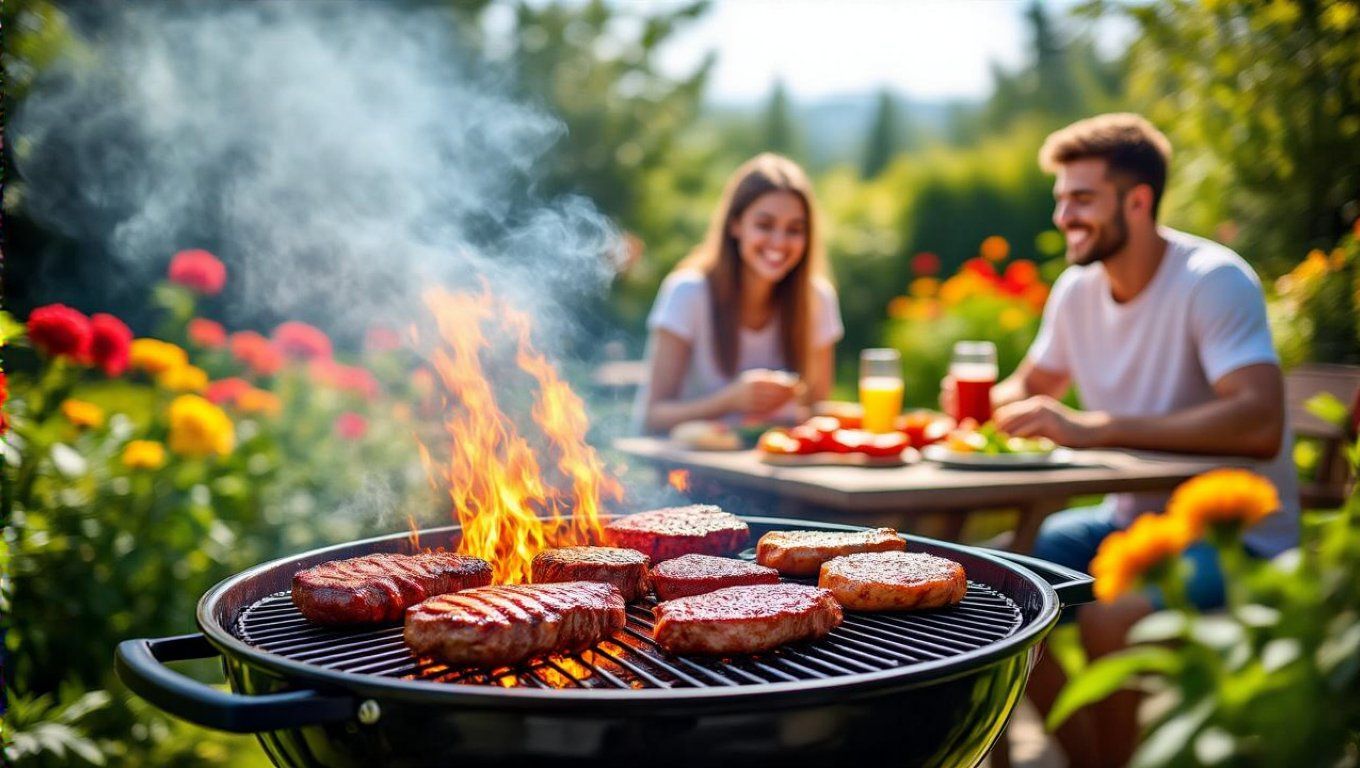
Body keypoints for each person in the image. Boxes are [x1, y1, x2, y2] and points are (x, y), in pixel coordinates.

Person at [942, 114, 1299, 767]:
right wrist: (973, 407)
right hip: (1128, 518)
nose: (1063, 216)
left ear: (1138, 200)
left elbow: (1259, 420)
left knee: (1110, 616)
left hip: (1235, 532)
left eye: (1082, 199)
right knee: (989, 588)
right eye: (1061, 199)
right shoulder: (1078, 289)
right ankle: (1089, 760)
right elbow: (1031, 385)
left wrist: (1094, 427)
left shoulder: (1211, 279)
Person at [635, 153, 843, 435]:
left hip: (776, 471)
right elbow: (652, 417)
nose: (779, 242)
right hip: (689, 474)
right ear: (735, 224)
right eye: (764, 225)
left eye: (794, 229)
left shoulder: (818, 298)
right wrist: (730, 401)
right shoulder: (688, 293)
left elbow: (816, 411)